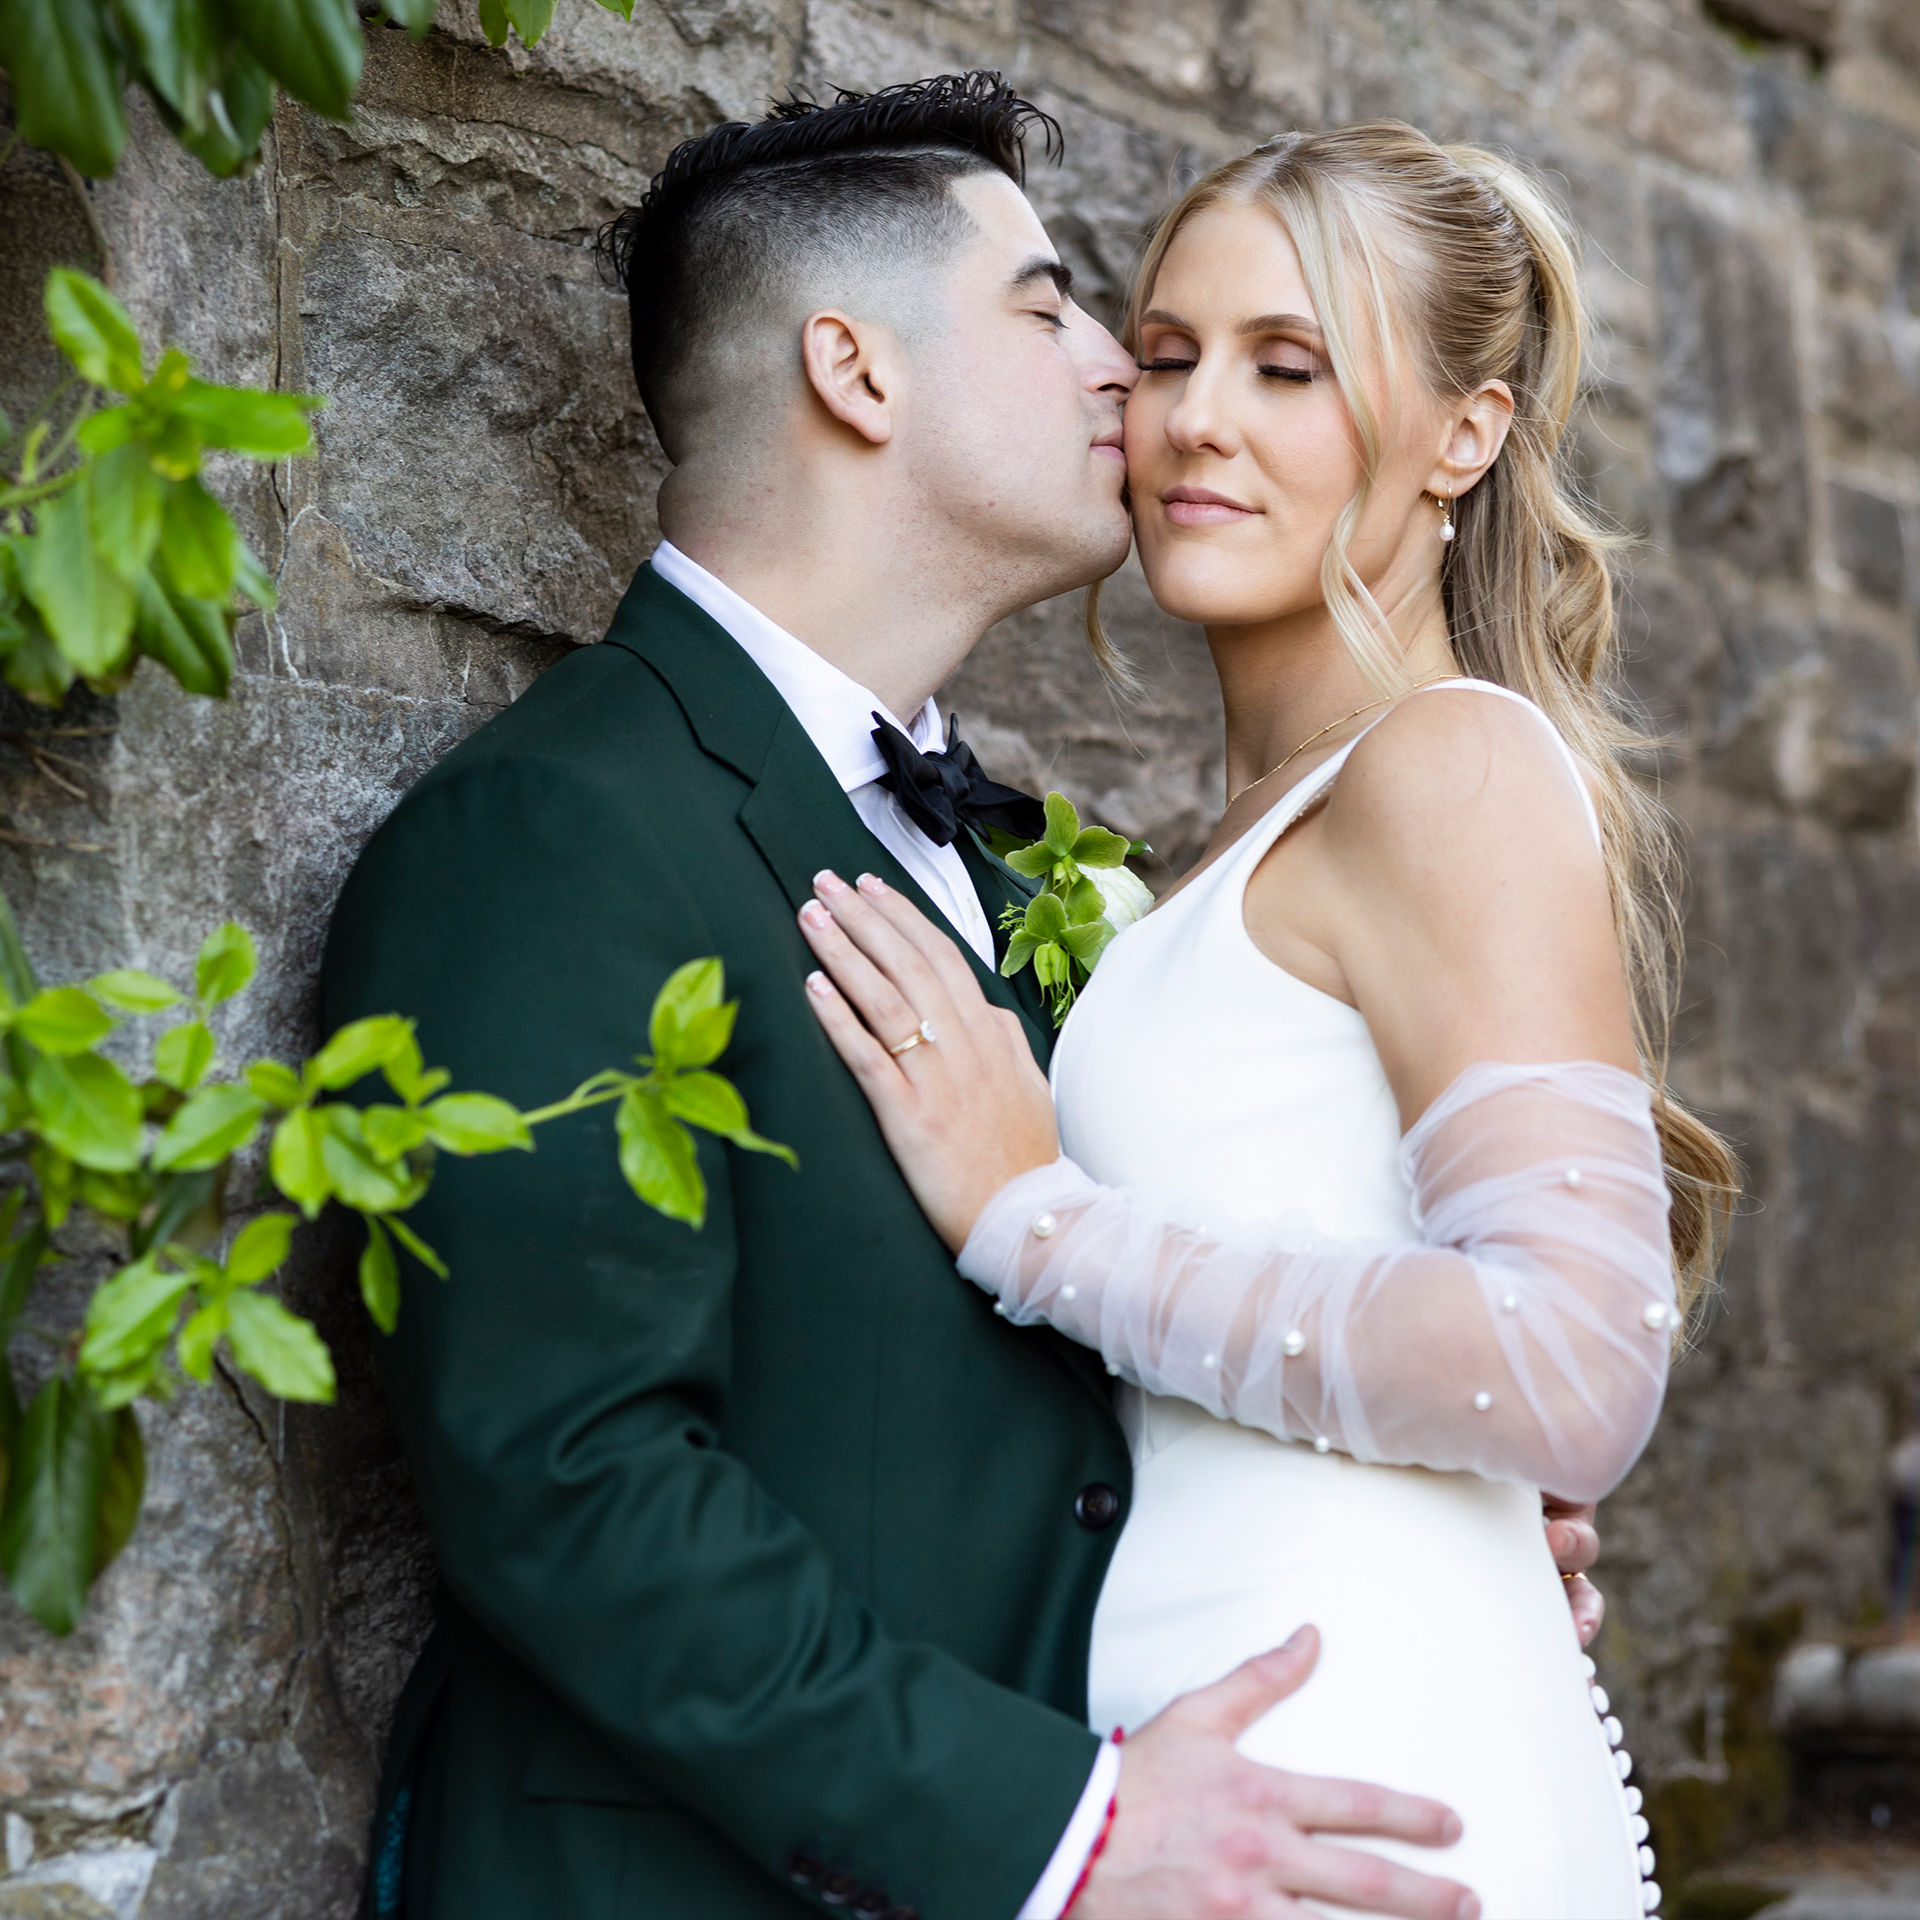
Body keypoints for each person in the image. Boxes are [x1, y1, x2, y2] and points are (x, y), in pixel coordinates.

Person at [324, 81, 1600, 1920]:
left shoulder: (1003, 864)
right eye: (1054, 308)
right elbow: (569, 1482)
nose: (1131, 384)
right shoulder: (553, 830)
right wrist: (1057, 1831)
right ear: (854, 371)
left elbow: (1055, 1357)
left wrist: (1409, 1496)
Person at [796, 123, 1740, 1917]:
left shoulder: (1446, 769)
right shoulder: (1231, 843)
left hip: (1358, 1788)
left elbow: (1571, 1365)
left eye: (1286, 366)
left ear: (1464, 434)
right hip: (1201, 1773)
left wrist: (1035, 1218)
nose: (1194, 421)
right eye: (1167, 355)